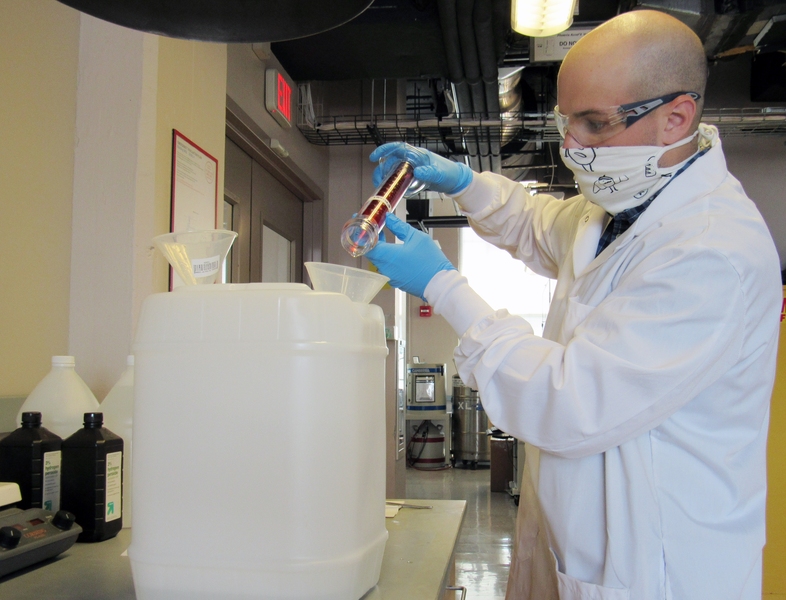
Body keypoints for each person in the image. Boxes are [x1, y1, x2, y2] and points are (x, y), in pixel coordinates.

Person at [365, 9, 781, 600]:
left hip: (654, 566)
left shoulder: (712, 253)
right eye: (566, 121)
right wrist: (464, 182)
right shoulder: (623, 202)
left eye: (594, 123)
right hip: (577, 538)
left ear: (676, 117)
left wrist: (443, 285)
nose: (572, 146)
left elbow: (570, 403)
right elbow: (540, 224)